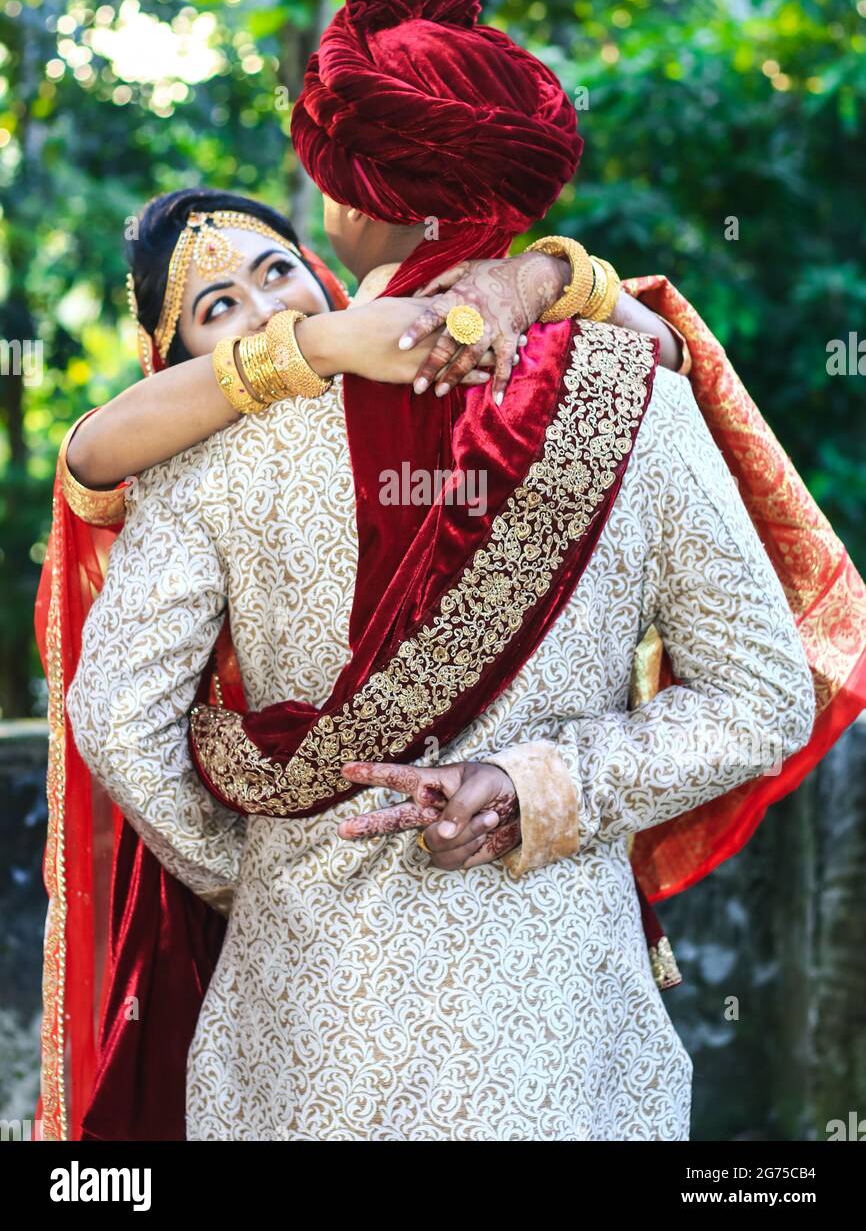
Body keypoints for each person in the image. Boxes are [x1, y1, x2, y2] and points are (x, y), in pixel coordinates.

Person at [64, 0, 864, 1141]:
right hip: (561, 1035)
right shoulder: (634, 381)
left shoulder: (218, 428)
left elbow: (115, 716)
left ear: (335, 196)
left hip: (305, 1039)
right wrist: (540, 789)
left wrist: (265, 864)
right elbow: (761, 699)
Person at [36, 184, 687, 1142]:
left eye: (275, 274)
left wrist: (541, 273)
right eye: (218, 311)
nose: (265, 312)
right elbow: (91, 451)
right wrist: (326, 344)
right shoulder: (186, 451)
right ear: (173, 367)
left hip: (334, 994)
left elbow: (662, 350)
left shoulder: (464, 364)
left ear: (321, 270)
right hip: (512, 993)